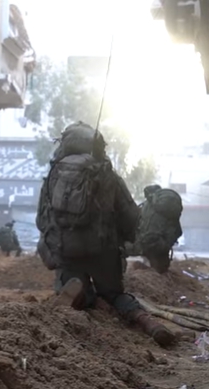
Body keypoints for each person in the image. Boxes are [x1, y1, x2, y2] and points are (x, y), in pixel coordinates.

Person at [35, 121, 175, 347]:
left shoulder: (54, 174)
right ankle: (147, 322)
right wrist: (123, 240)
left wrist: (56, 241)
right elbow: (130, 216)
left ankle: (79, 293)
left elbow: (42, 219)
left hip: (67, 251)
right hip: (103, 251)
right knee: (114, 294)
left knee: (74, 285)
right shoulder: (108, 176)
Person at [135, 184, 183, 274]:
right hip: (163, 245)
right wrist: (168, 242)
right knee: (160, 270)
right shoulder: (171, 208)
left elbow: (138, 224)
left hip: (147, 242)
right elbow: (178, 231)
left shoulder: (147, 206)